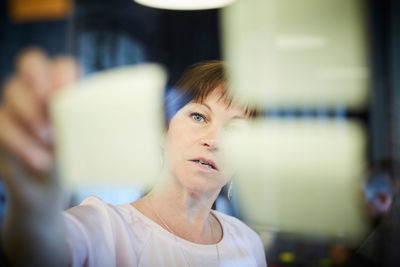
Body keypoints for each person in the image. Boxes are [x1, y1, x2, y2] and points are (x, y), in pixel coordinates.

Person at [0, 48, 267, 267]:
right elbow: (38, 249)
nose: (215, 140)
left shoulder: (249, 243)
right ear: (164, 130)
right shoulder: (106, 229)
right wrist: (35, 205)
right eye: (198, 116)